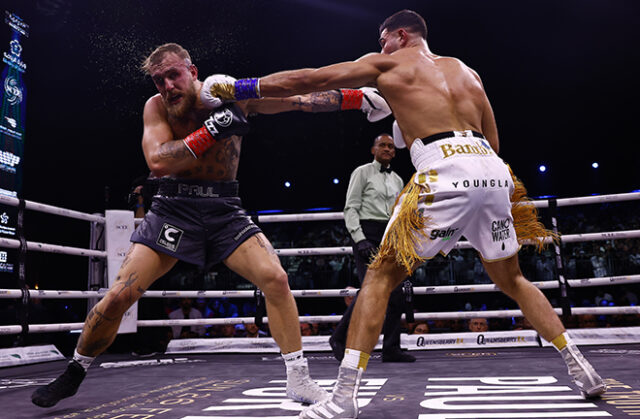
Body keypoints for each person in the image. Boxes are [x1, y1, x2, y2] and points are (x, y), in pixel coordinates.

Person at [205, 9, 607, 417]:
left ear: (400, 35)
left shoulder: (388, 64)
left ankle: (343, 398)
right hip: (493, 173)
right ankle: (583, 368)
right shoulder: (467, 71)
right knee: (514, 279)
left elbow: (314, 77)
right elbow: (494, 142)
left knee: (378, 278)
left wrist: (238, 86)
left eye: (383, 39)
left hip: (443, 170)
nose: (380, 47)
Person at [31, 42, 391, 408]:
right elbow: (157, 161)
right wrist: (212, 131)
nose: (167, 86)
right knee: (120, 295)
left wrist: (355, 98)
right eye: (158, 80)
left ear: (192, 71)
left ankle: (298, 379)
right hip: (173, 207)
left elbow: (296, 98)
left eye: (173, 75)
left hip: (224, 208)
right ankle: (75, 370)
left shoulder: (234, 96)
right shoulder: (156, 108)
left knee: (277, 279)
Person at [330, 134, 415, 363]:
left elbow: (399, 213)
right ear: (373, 149)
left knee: (396, 292)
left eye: (390, 146)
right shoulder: (362, 172)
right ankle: (338, 339)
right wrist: (360, 239)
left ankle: (391, 348)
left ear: (394, 152)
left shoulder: (397, 179)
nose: (387, 149)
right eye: (382, 145)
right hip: (368, 233)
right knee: (370, 292)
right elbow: (350, 208)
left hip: (391, 235)